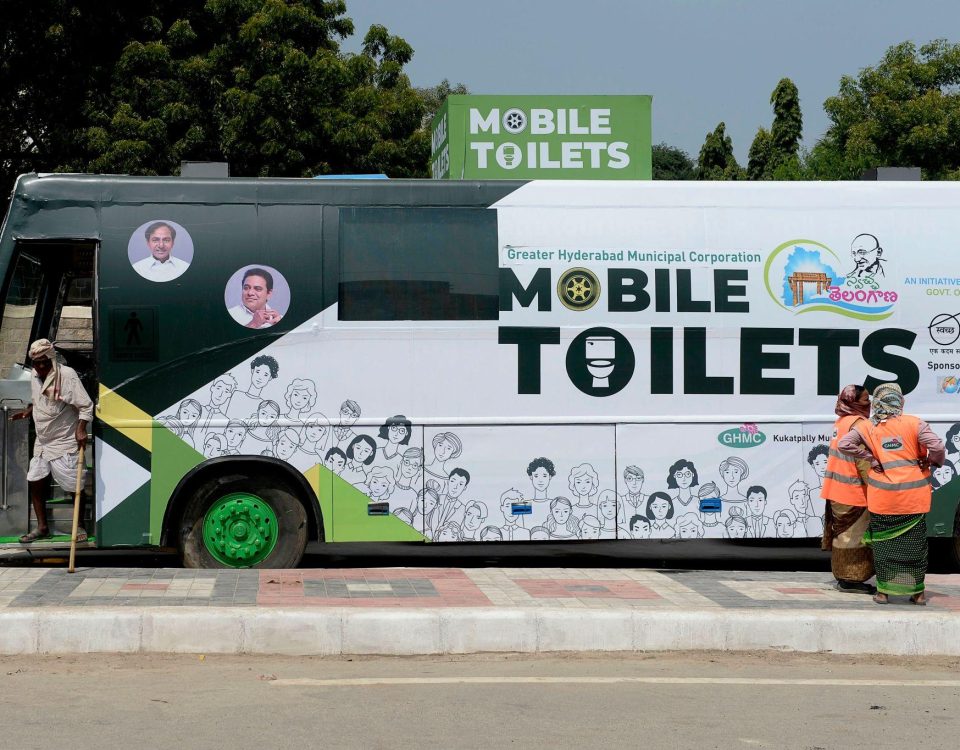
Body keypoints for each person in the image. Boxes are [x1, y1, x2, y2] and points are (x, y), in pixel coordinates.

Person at [839, 382, 945, 605]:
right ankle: (918, 594)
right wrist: (933, 461)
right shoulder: (915, 423)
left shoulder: (868, 426)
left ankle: (883, 593)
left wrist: (870, 458)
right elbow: (937, 446)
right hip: (914, 499)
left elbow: (845, 444)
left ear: (877, 402)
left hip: (882, 499)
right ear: (900, 401)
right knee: (915, 546)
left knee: (884, 546)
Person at [11, 339, 93, 542]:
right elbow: (40, 400)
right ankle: (42, 527)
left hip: (64, 438)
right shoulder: (36, 376)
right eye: (36, 362)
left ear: (52, 358)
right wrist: (28, 411)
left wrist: (81, 429)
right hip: (43, 440)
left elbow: (86, 406)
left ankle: (79, 526)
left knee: (74, 483)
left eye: (44, 362)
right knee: (35, 479)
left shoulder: (67, 375)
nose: (40, 366)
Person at [820, 385, 875, 594]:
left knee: (842, 537)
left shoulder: (841, 421)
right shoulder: (859, 424)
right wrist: (877, 487)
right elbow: (863, 463)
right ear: (853, 402)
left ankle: (844, 577)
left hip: (836, 490)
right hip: (854, 492)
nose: (869, 404)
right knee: (854, 538)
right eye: (865, 400)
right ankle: (851, 579)